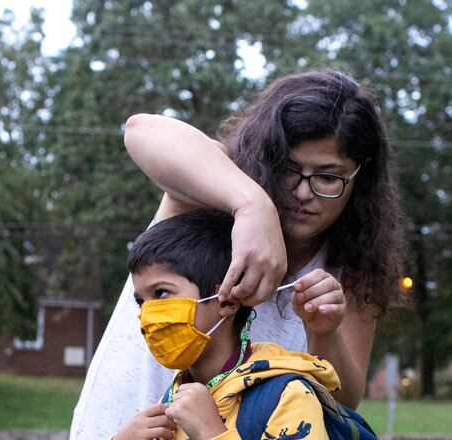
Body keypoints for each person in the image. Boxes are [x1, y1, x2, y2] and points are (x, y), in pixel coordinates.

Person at [71, 70, 402, 439]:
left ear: (360, 178)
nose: (302, 192)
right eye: (289, 169)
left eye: (328, 177)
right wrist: (252, 205)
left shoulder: (355, 269)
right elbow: (139, 129)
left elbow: (343, 403)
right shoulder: (207, 192)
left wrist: (323, 334)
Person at [115, 210, 341, 440]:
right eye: (141, 301)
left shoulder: (288, 396)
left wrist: (210, 432)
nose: (146, 316)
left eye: (161, 293)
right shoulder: (172, 401)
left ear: (227, 300)